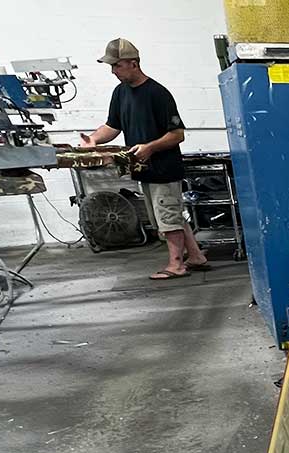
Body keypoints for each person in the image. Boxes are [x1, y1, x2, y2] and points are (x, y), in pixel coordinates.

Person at [81, 38, 208, 279]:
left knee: (167, 218)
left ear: (134, 63)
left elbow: (177, 134)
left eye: (117, 65)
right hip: (144, 169)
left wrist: (150, 148)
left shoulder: (158, 93)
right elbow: (112, 125)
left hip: (163, 169)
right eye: (111, 66)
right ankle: (196, 257)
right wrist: (94, 140)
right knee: (171, 214)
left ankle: (176, 265)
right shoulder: (120, 93)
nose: (113, 71)